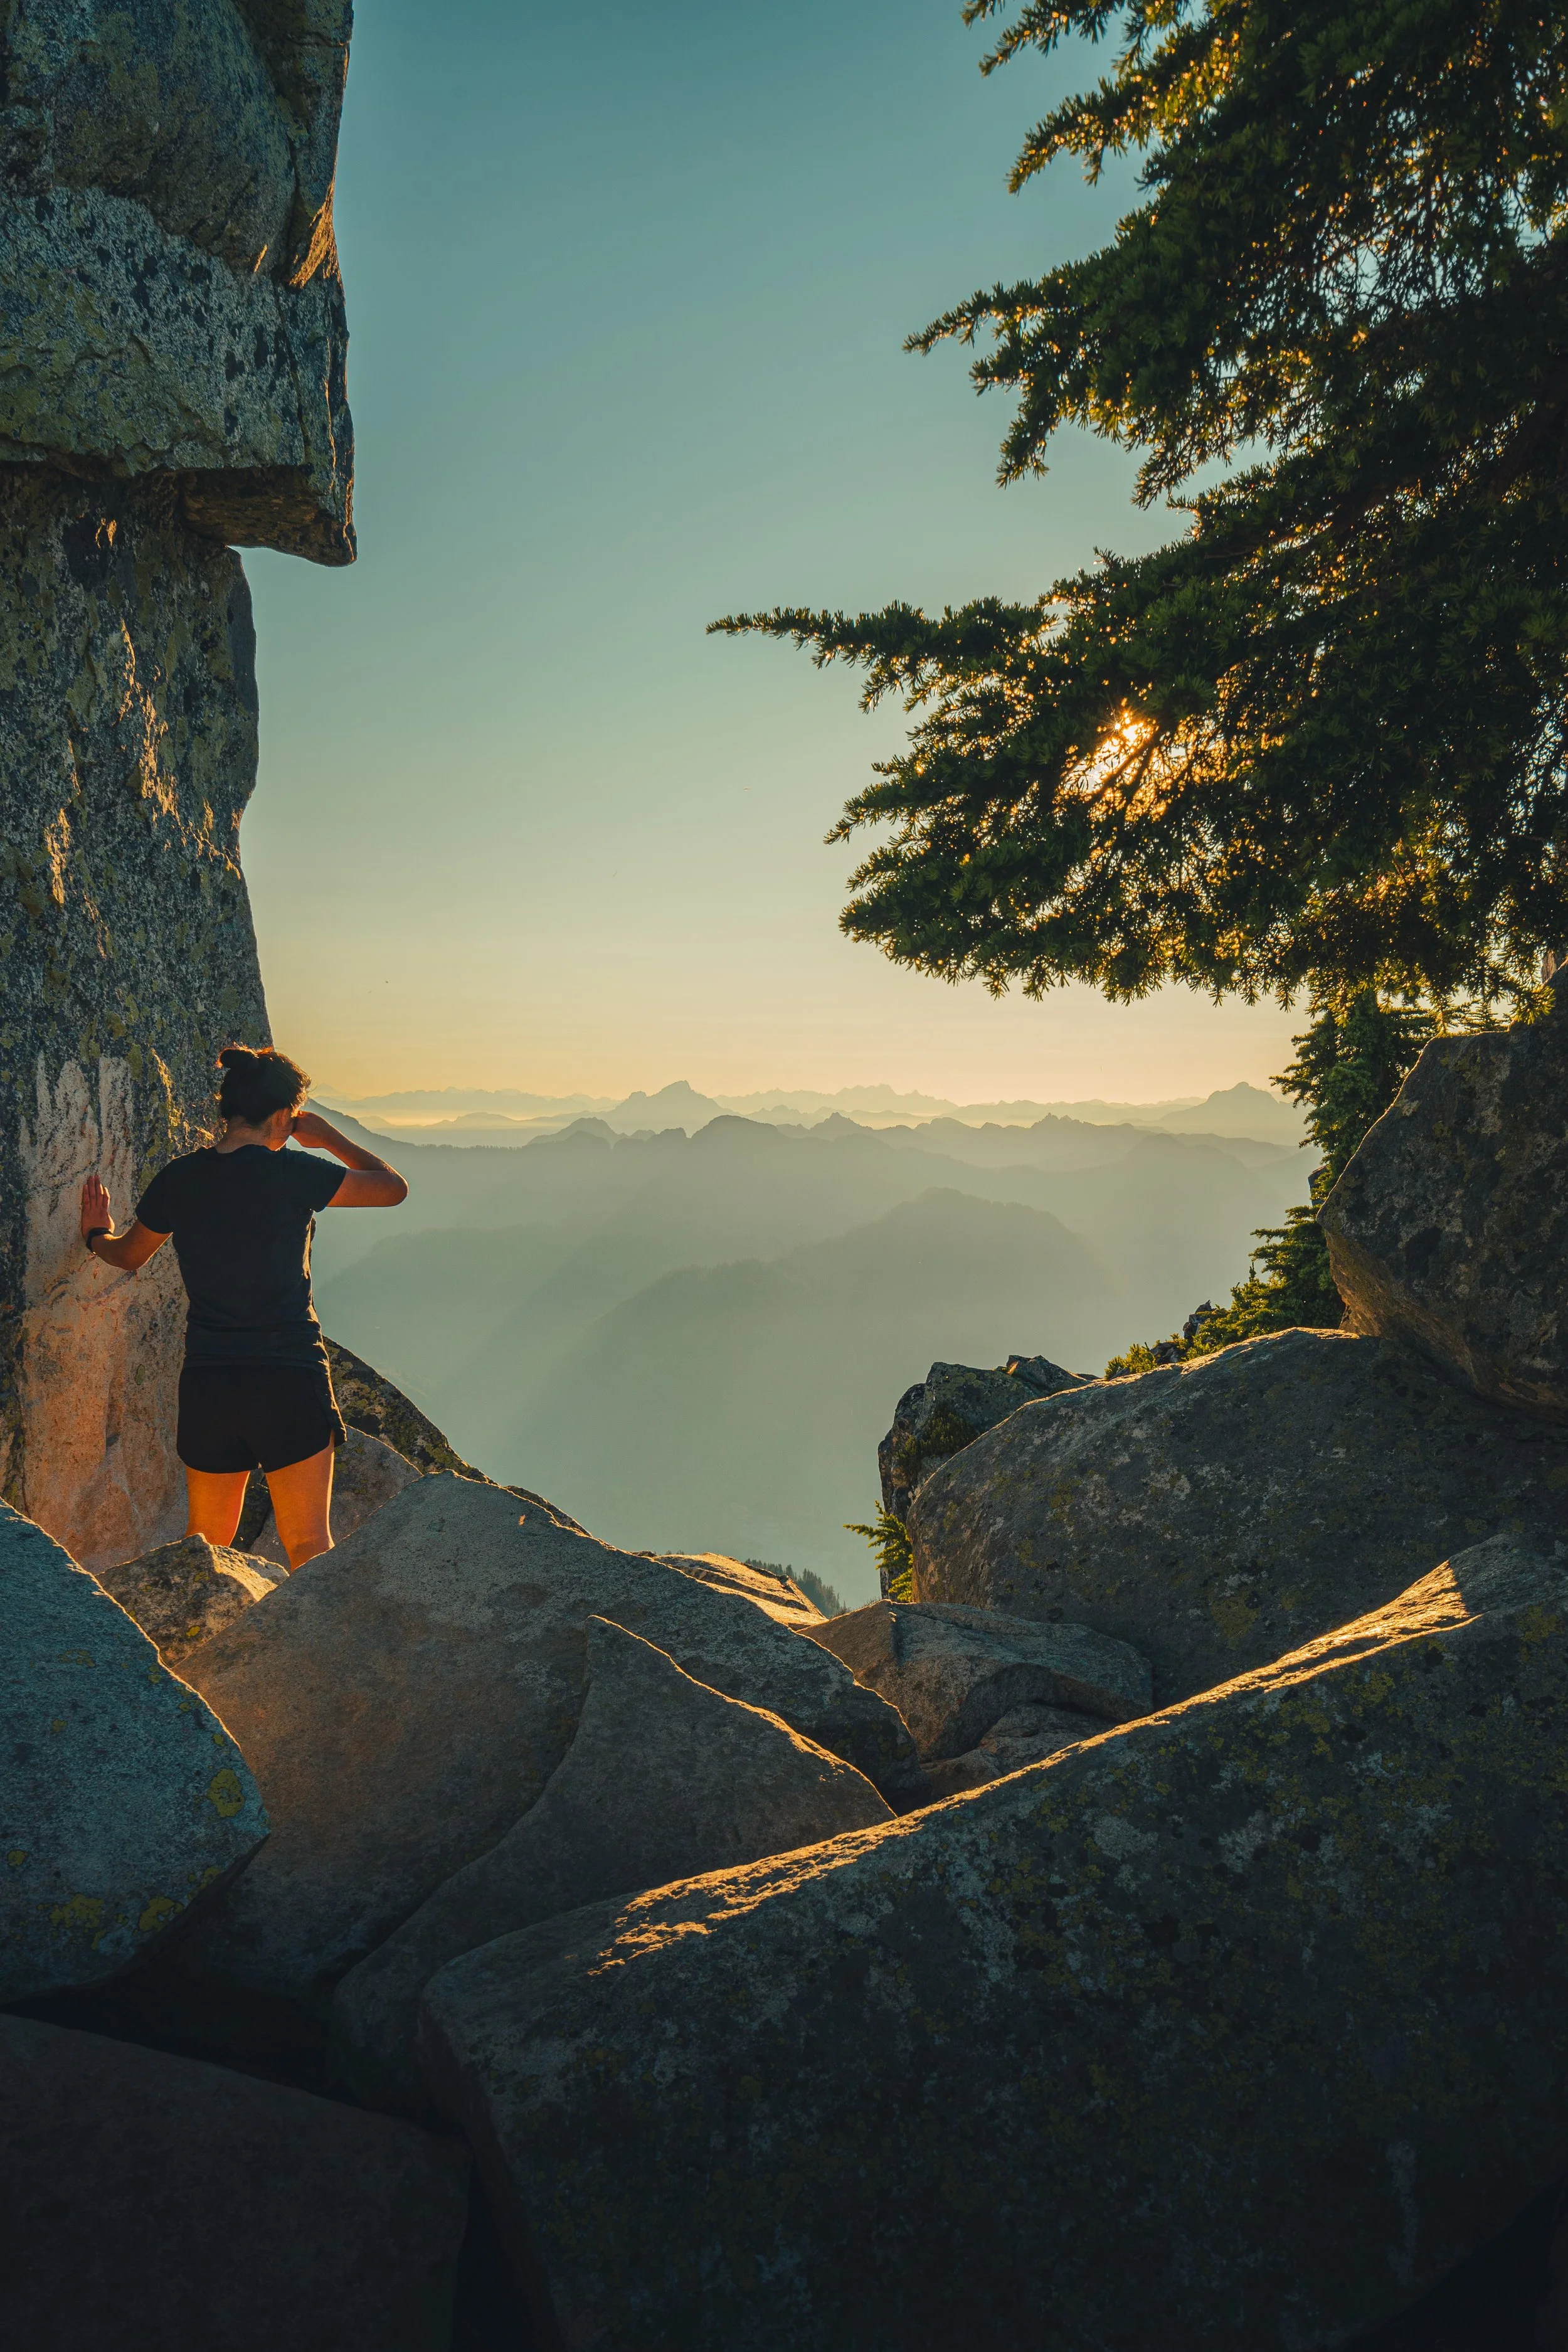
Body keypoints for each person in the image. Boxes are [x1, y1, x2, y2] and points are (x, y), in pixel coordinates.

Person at [79, 1044, 408, 1571]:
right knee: (307, 1546)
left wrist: (96, 1233)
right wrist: (328, 1138)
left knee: (203, 1546)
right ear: (285, 1115)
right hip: (289, 1374)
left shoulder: (180, 1178)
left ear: (226, 1111)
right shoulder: (296, 1172)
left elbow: (127, 1255)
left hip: (212, 1379)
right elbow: (392, 1190)